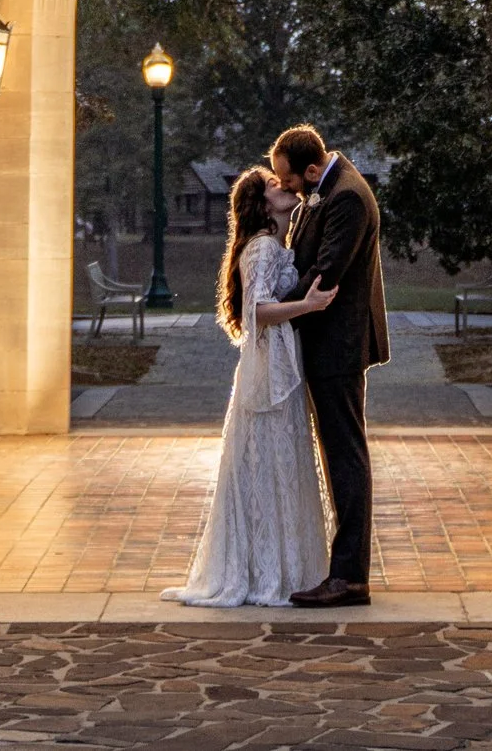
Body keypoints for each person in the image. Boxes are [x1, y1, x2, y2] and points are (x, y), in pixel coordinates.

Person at [164, 163, 335, 607]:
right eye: (274, 184)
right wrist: (308, 305)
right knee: (266, 463)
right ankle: (263, 572)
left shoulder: (277, 245)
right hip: (268, 371)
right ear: (262, 205)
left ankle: (282, 565)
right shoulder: (260, 248)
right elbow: (258, 310)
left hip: (280, 365)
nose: (284, 184)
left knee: (281, 462)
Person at [271, 120, 388, 606]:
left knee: (345, 458)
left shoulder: (346, 198)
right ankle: (345, 572)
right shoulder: (330, 188)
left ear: (314, 168)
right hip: (328, 346)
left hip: (337, 348)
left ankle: (349, 578)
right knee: (339, 455)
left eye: (290, 180)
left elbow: (325, 275)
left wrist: (275, 316)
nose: (285, 187)